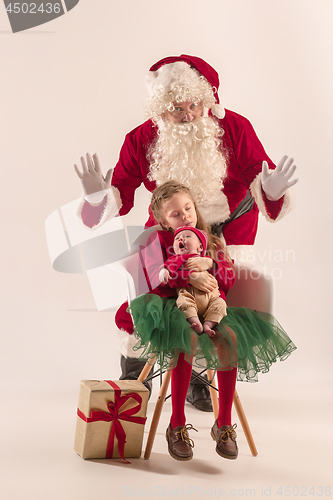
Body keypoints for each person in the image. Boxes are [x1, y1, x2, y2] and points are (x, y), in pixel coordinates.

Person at [74, 54, 298, 411]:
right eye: (178, 108)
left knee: (214, 301)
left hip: (229, 231)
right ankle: (135, 371)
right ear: (160, 109)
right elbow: (119, 192)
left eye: (196, 104)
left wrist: (271, 191)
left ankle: (199, 377)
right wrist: (95, 198)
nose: (189, 114)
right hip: (168, 230)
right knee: (143, 292)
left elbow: (261, 176)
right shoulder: (141, 139)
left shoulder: (234, 127)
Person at [128, 180, 296, 461]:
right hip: (172, 307)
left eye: (188, 208)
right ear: (163, 220)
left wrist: (212, 265)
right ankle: (177, 423)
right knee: (188, 338)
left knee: (229, 338)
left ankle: (224, 424)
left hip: (212, 307)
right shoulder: (157, 241)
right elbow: (154, 280)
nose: (185, 217)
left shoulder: (212, 240)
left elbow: (228, 282)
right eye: (176, 214)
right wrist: (188, 276)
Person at [160, 226, 227, 337]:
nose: (180, 239)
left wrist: (211, 263)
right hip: (189, 294)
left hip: (211, 298)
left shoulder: (205, 260)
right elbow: (168, 268)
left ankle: (208, 324)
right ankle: (195, 321)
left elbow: (224, 275)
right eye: (177, 239)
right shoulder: (177, 259)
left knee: (221, 304)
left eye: (187, 236)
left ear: (200, 247)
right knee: (184, 302)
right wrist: (164, 271)